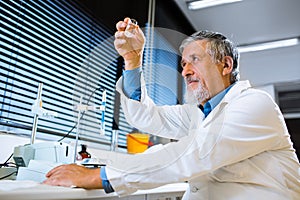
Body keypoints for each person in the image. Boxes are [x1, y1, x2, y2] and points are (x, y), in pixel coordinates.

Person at [43, 17, 300, 199]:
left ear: (225, 66)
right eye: (184, 63)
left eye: (195, 61)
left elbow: (195, 154)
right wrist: (133, 60)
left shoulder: (255, 103)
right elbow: (147, 117)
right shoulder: (198, 114)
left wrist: (101, 176)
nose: (185, 71)